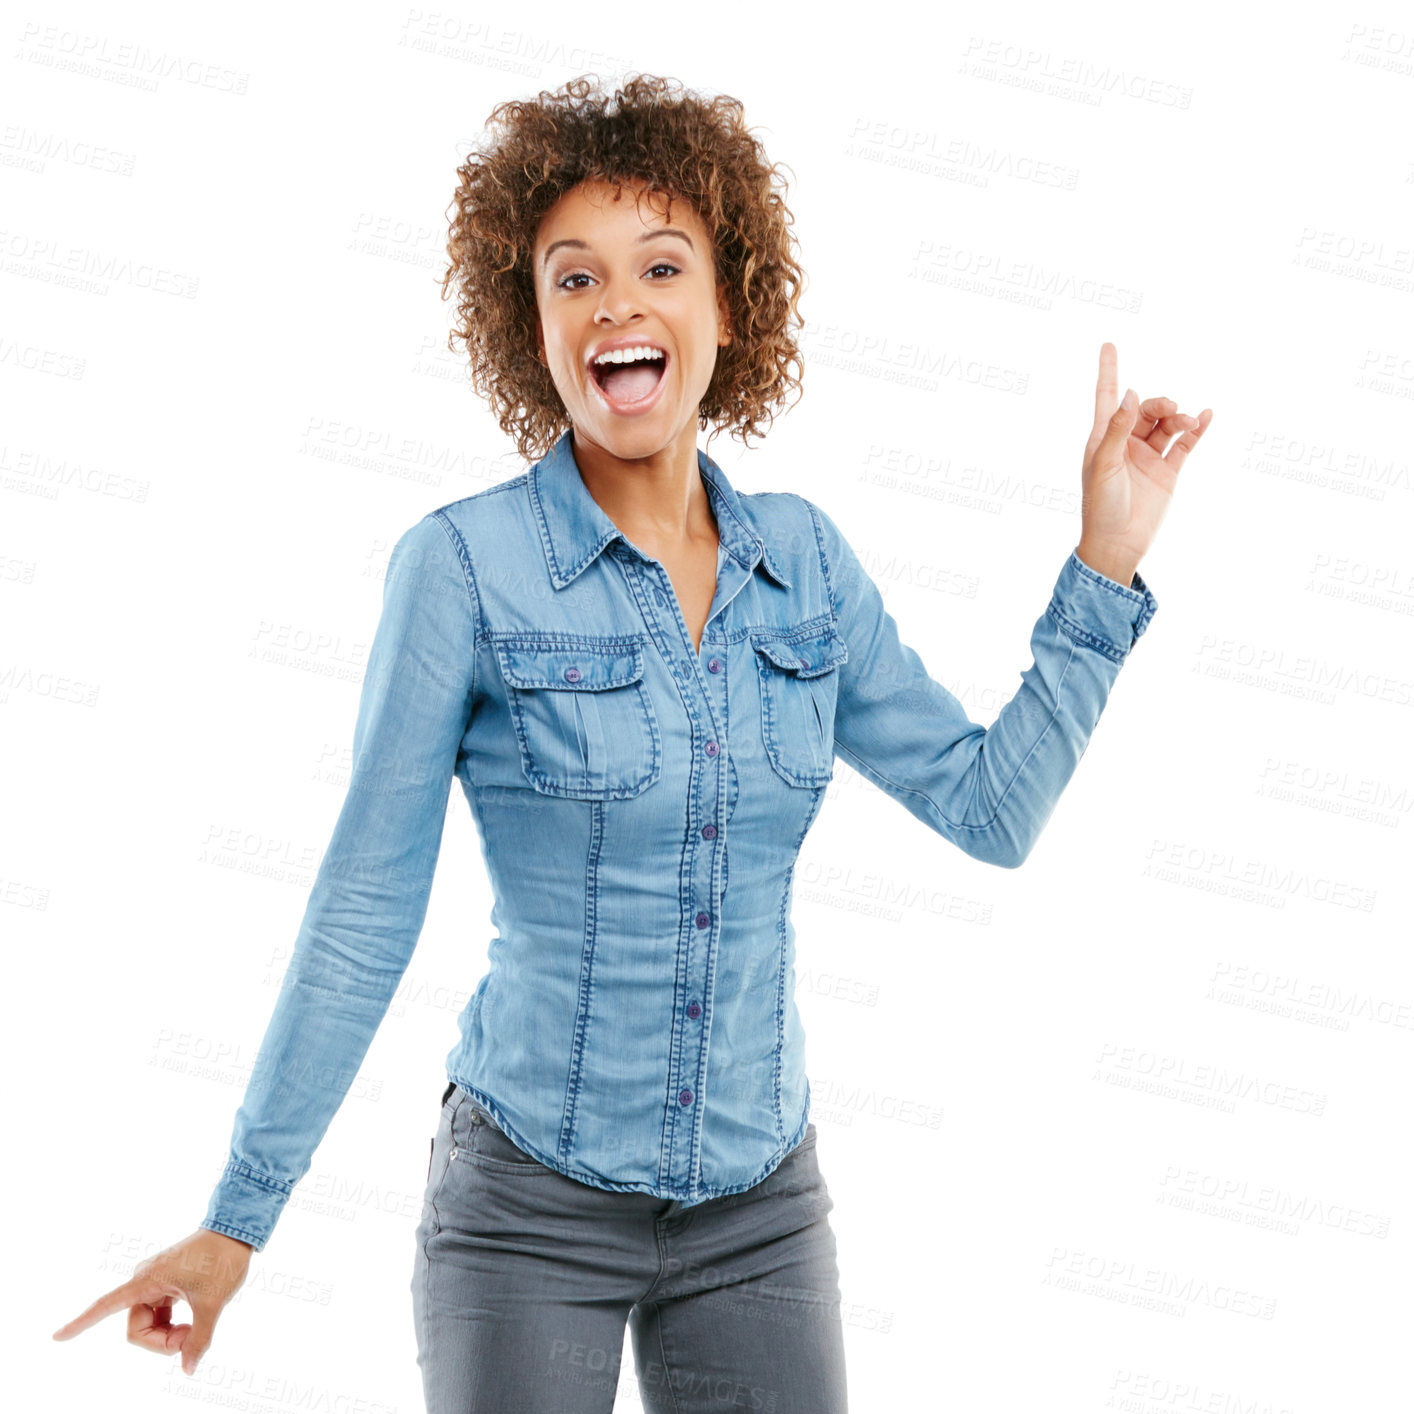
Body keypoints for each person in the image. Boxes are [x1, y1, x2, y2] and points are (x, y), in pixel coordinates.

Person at [52, 72, 1211, 1411]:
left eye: (661, 266)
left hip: (760, 1212)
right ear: (528, 325)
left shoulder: (806, 567)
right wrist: (236, 1220)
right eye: (572, 278)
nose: (618, 306)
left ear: (726, 308)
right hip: (526, 1207)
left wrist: (1102, 566)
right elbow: (365, 902)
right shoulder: (461, 568)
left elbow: (988, 811)